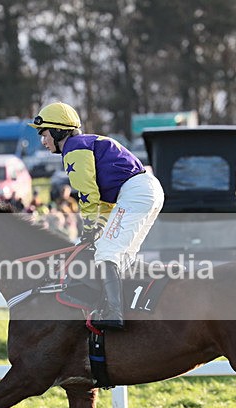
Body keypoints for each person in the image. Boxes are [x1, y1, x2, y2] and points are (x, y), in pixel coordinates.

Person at [29, 102, 164, 329]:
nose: (43, 141)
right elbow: (104, 203)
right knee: (121, 254)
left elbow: (88, 194)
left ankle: (113, 312)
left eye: (45, 134)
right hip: (146, 190)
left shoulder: (73, 148)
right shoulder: (85, 144)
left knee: (107, 251)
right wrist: (97, 227)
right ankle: (127, 306)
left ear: (59, 131)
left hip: (136, 192)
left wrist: (89, 227)